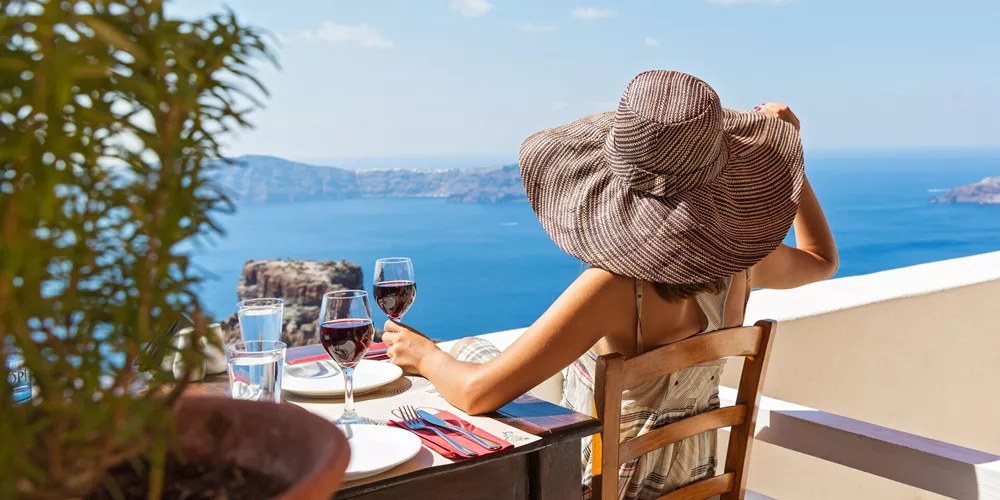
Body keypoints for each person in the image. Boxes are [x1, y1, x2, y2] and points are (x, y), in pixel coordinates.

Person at [382, 70, 837, 499]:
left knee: (460, 366)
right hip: (691, 482)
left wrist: (424, 354)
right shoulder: (742, 267)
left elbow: (476, 394)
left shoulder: (616, 287)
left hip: (601, 488)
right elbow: (822, 260)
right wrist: (787, 156)